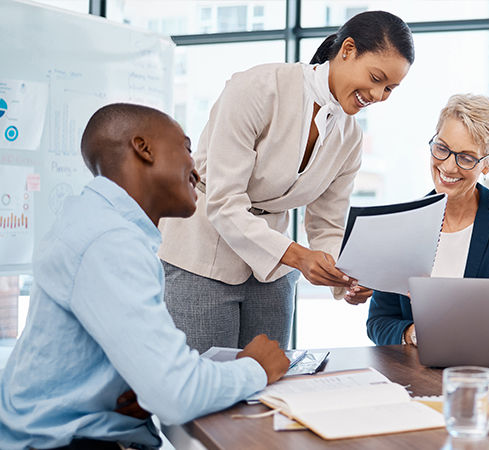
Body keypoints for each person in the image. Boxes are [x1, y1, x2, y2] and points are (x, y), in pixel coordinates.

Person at [0, 104, 290, 449]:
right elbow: (176, 393)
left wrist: (141, 382)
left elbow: (151, 374)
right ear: (143, 148)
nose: (196, 170)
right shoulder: (110, 241)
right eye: (185, 148)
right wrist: (256, 367)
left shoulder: (98, 222)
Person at [158, 11, 414, 353]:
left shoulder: (350, 137)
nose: (379, 95)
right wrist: (298, 256)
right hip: (203, 250)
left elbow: (327, 224)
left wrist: (346, 278)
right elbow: (224, 202)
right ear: (348, 50)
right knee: (203, 384)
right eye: (376, 78)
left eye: (390, 89)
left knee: (270, 385)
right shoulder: (257, 89)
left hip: (273, 265)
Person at [366, 94, 489, 346]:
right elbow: (379, 322)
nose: (448, 167)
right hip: (415, 371)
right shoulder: (403, 223)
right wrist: (414, 333)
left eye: (466, 157)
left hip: (482, 369)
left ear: (488, 164)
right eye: (442, 149)